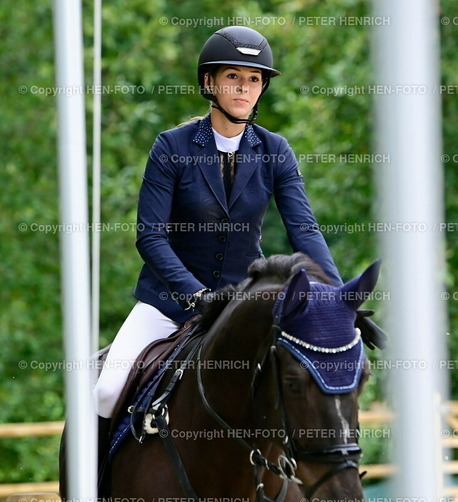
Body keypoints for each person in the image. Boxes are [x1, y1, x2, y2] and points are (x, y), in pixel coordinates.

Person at [94, 25, 384, 422]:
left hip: (241, 304)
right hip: (168, 304)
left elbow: (304, 230)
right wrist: (195, 295)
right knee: (107, 393)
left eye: (253, 79)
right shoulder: (171, 147)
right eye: (233, 76)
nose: (244, 88)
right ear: (209, 82)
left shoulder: (275, 150)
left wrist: (337, 302)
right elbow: (151, 237)